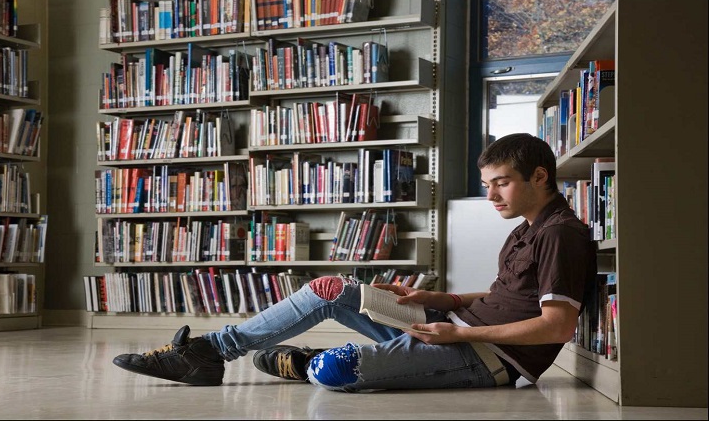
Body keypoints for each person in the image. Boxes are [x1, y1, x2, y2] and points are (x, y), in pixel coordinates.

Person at [112, 133, 597, 391]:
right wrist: (440, 299)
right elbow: (506, 298)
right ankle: (208, 352)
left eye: (502, 182)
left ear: (539, 176)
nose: (490, 194)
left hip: (486, 358)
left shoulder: (561, 235)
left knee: (334, 372)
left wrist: (461, 333)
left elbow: (555, 325)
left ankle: (305, 366)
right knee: (329, 288)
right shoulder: (527, 228)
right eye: (487, 182)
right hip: (448, 327)